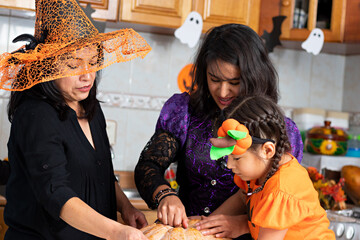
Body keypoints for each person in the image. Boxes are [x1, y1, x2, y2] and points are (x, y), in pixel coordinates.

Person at [134, 23, 303, 237]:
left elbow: (279, 204)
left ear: (254, 77)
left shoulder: (280, 131)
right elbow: (149, 165)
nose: (223, 92)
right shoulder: (184, 111)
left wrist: (240, 223)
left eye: (234, 82)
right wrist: (166, 195)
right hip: (189, 233)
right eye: (214, 79)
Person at [1, 0, 151, 239]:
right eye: (73, 64)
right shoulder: (36, 114)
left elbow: (102, 173)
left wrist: (126, 207)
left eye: (93, 62)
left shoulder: (90, 108)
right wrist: (117, 232)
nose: (87, 75)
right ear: (47, 66)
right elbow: (55, 192)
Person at [197, 95, 335, 240]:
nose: (230, 165)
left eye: (236, 158)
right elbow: (242, 197)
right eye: (228, 157)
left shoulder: (281, 188)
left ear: (267, 150)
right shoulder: (260, 172)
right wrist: (207, 226)